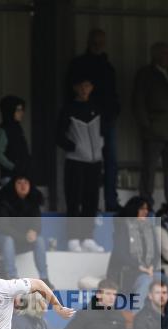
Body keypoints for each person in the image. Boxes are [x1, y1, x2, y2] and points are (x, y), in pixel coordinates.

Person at [67, 28, 121, 212]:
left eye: (101, 41)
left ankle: (110, 202)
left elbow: (113, 94)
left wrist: (114, 112)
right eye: (95, 41)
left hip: (106, 121)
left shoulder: (108, 67)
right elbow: (70, 93)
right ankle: (88, 204)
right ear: (89, 42)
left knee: (110, 162)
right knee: (86, 164)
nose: (98, 45)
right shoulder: (79, 65)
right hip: (84, 122)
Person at [133, 42, 168, 210]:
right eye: (165, 53)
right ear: (155, 55)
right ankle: (145, 202)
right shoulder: (145, 74)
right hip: (154, 131)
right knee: (149, 168)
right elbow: (138, 102)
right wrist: (147, 126)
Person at [57, 74, 104, 253]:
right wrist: (75, 147)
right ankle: (73, 238)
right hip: (75, 161)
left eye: (88, 86)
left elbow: (104, 132)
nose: (85, 89)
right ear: (75, 88)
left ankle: (88, 237)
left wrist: (100, 147)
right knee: (74, 199)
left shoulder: (97, 108)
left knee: (91, 200)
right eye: (82, 86)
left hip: (95, 161)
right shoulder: (68, 109)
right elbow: (59, 136)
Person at [0, 171, 51, 286]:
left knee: (39, 240)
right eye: (19, 183)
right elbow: (2, 227)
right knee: (8, 239)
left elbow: (36, 222)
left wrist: (33, 231)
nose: (23, 186)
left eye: (26, 183)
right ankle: (12, 277)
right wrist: (23, 237)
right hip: (1, 242)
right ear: (13, 185)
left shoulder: (33, 200)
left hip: (20, 241)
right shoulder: (3, 200)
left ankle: (44, 278)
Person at [107, 195, 157, 307]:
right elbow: (121, 254)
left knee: (162, 279)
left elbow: (156, 253)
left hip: (148, 270)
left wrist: (151, 266)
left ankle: (159, 316)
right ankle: (135, 315)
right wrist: (140, 267)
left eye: (147, 209)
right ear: (134, 209)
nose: (146, 211)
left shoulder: (149, 227)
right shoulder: (123, 226)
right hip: (126, 271)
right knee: (146, 280)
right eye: (142, 209)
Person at [61, 279, 128, 329]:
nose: (112, 297)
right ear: (99, 295)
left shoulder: (117, 315)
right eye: (108, 294)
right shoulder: (85, 314)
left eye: (114, 294)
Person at [0, 95, 30, 183]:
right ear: (10, 111)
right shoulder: (4, 129)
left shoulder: (18, 128)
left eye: (22, 110)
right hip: (10, 176)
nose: (21, 113)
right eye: (18, 110)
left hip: (22, 175)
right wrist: (13, 167)